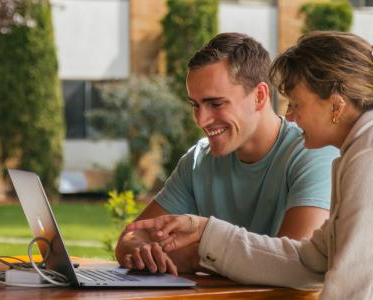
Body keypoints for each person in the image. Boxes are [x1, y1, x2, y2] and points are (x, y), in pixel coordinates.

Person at [127, 31, 373, 299]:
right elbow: (308, 260)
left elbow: (352, 290)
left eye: (297, 103)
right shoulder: (369, 147)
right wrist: (207, 232)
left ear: (335, 103)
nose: (290, 116)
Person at [114, 32, 339, 275]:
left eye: (216, 104)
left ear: (259, 96)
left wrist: (194, 256)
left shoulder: (312, 153)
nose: (201, 120)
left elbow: (296, 263)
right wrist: (143, 251)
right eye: (195, 105)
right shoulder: (197, 161)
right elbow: (131, 238)